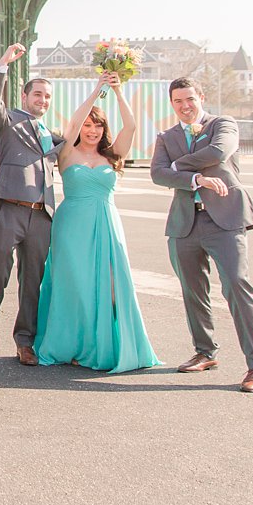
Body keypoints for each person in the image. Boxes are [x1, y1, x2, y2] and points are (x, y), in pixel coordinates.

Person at [34, 74, 160, 373]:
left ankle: (108, 345)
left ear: (104, 129)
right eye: (89, 125)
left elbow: (130, 126)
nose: (91, 130)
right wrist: (96, 90)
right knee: (75, 286)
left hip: (106, 222)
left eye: (98, 125)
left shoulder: (112, 154)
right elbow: (74, 124)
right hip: (71, 225)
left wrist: (117, 91)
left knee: (113, 287)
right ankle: (75, 346)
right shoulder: (67, 152)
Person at [151, 77, 253, 392]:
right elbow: (158, 174)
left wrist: (179, 166)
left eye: (190, 99)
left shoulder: (223, 124)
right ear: (172, 103)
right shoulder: (166, 136)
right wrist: (196, 179)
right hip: (185, 223)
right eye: (178, 101)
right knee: (192, 290)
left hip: (226, 220)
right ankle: (205, 352)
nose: (185, 106)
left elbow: (219, 152)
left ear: (200, 97)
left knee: (236, 285)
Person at [0, 44, 65, 367]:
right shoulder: (8, 122)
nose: (42, 100)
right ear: (25, 96)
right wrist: (1, 65)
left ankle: (24, 342)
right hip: (9, 209)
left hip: (42, 214)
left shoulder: (52, 135)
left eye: (47, 97)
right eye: (37, 94)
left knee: (33, 282)